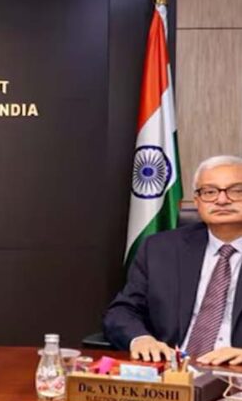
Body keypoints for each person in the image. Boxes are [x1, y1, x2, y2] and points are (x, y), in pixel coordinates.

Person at [104, 155, 242, 365]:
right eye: (209, 192)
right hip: (172, 368)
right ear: (197, 201)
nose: (222, 200)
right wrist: (140, 339)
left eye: (236, 191)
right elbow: (123, 310)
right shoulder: (161, 248)